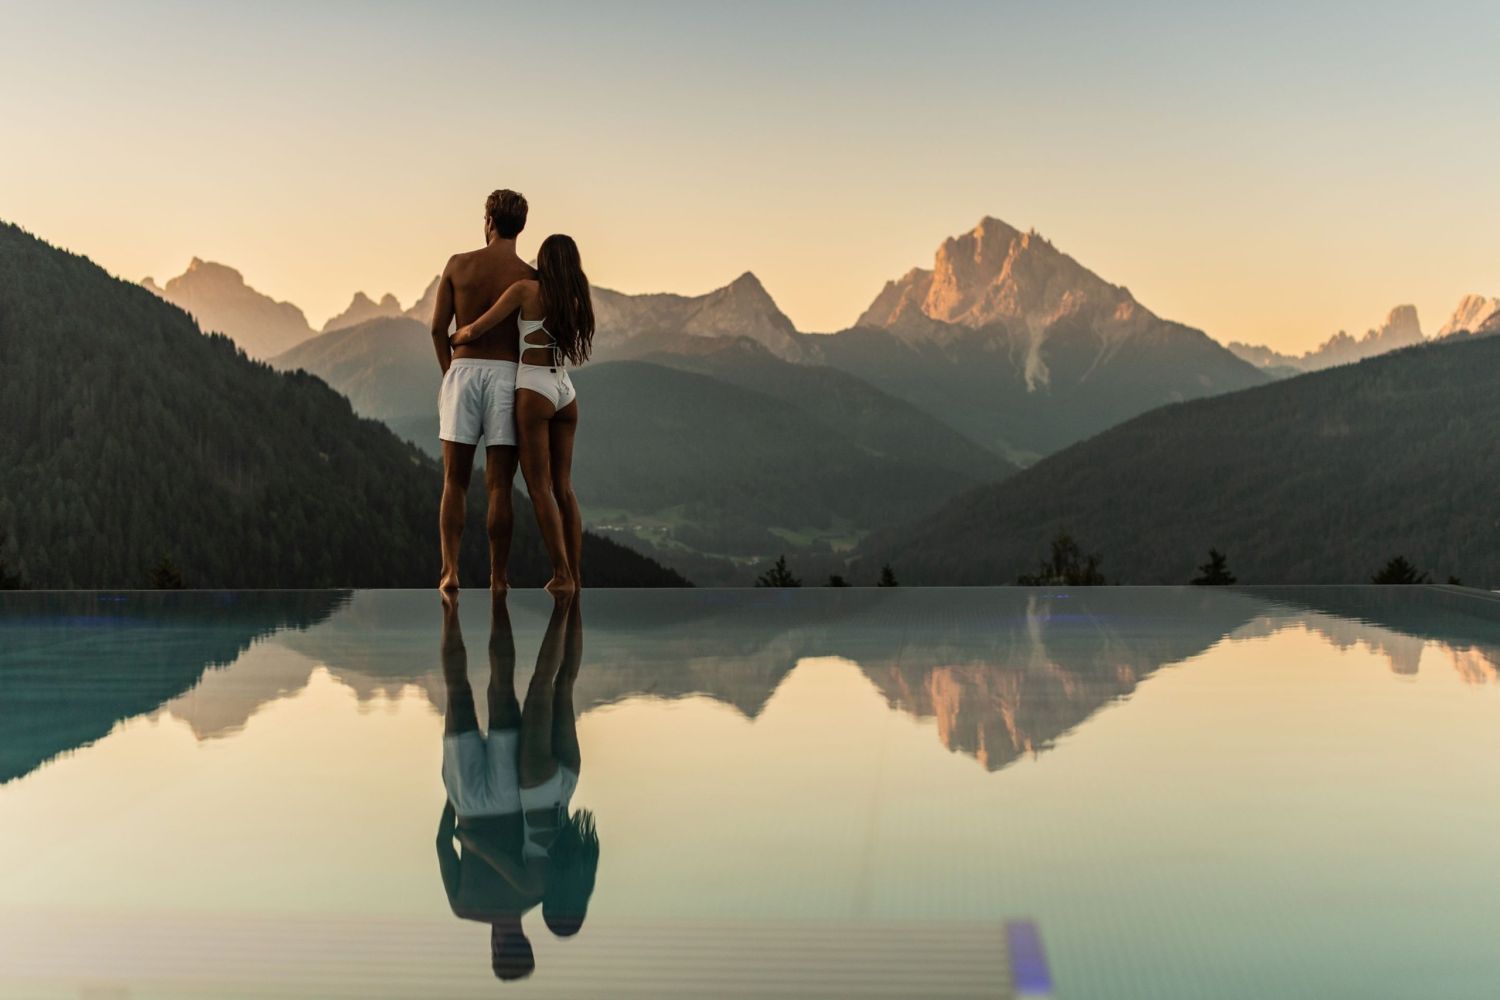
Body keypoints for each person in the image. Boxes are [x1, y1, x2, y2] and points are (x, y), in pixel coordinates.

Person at [452, 235, 595, 595]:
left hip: (534, 391)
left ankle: (561, 573)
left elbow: (478, 327)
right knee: (564, 488)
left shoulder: (525, 291)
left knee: (538, 487)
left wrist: (455, 339)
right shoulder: (576, 301)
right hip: (565, 391)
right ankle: (575, 576)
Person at [430, 189, 535, 593]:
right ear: (520, 226)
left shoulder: (458, 265)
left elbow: (439, 329)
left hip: (463, 370)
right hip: (508, 375)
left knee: (454, 481)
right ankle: (498, 578)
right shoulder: (529, 277)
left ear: (488, 221)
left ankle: (450, 572)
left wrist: (449, 375)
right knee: (499, 485)